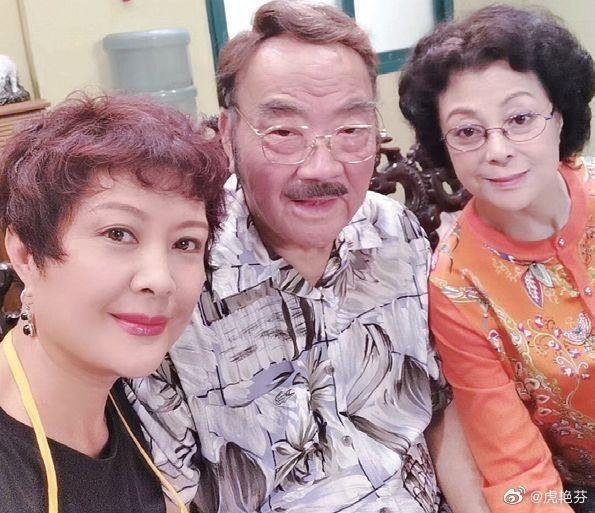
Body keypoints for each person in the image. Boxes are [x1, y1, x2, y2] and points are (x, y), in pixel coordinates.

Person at [129, 1, 489, 512]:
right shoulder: (178, 277)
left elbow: (434, 409)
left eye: (351, 131)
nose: (322, 167)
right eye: (283, 133)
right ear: (227, 135)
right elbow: (169, 490)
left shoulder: (394, 232)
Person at [399, 4, 594, 513]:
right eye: (468, 131)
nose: (498, 150)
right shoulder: (455, 285)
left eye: (520, 119)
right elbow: (518, 472)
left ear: (560, 117)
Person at [0, 93, 227, 513]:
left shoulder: (150, 404)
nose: (160, 280)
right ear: (26, 254)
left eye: (185, 243)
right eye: (119, 234)